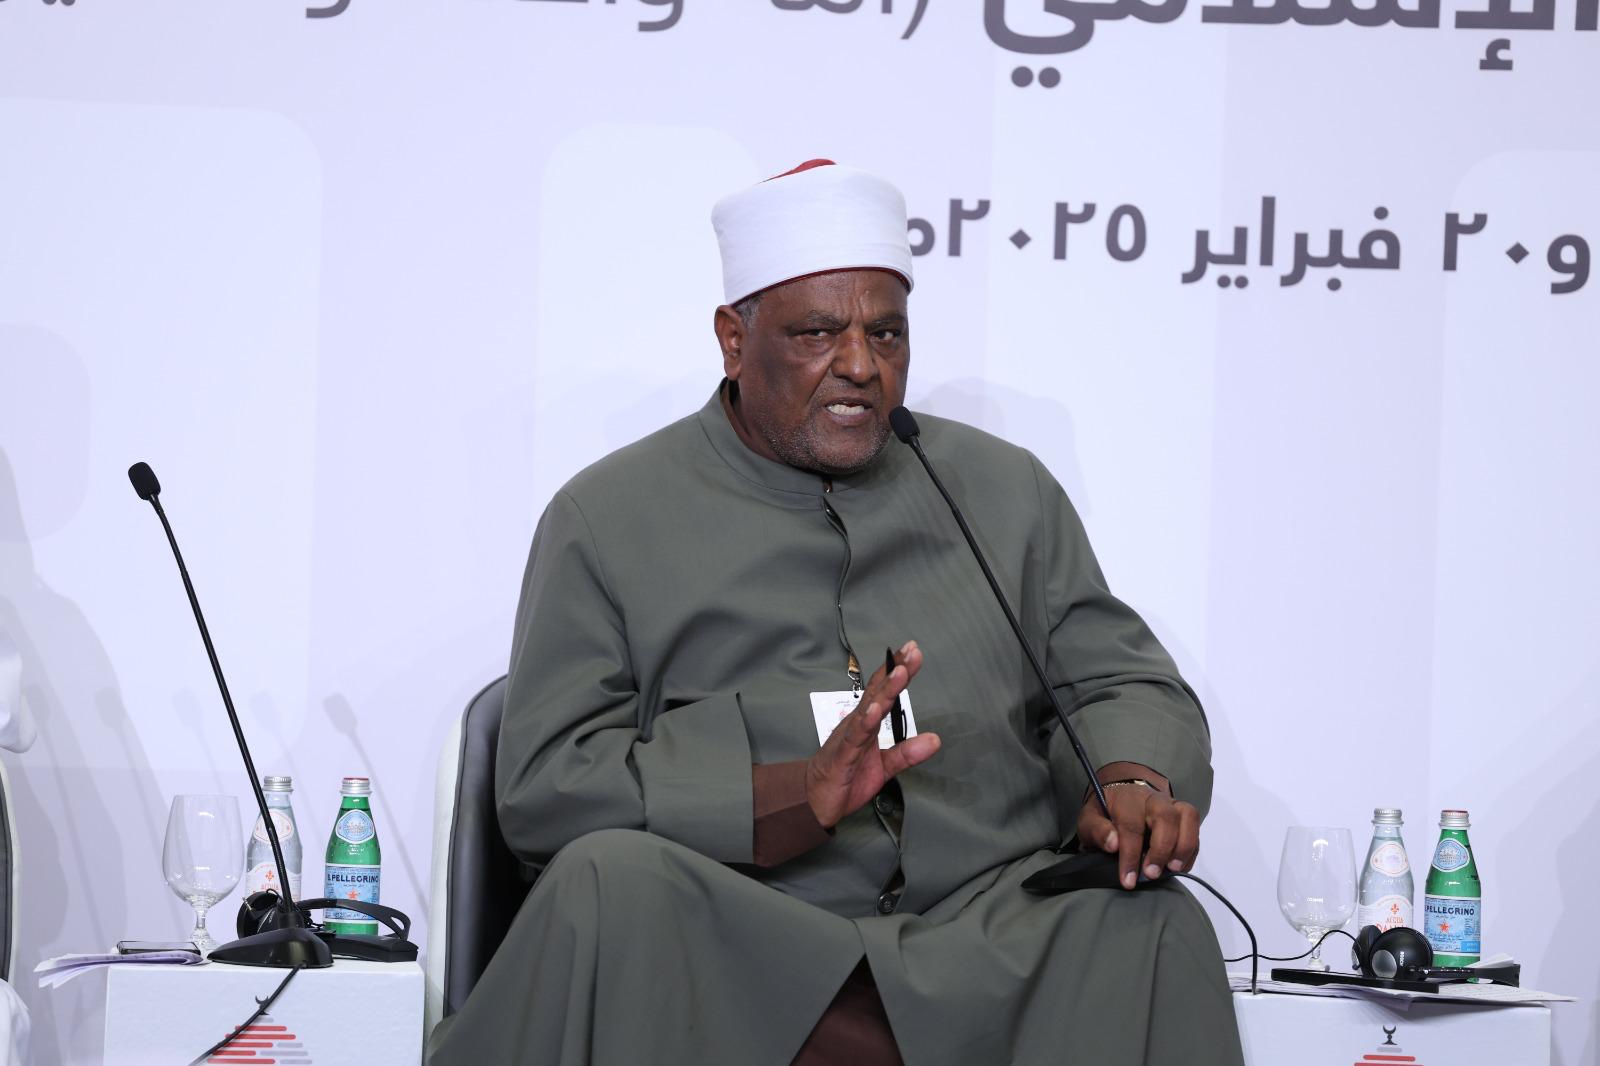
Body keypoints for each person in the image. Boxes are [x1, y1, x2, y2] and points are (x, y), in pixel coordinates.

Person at [426, 160, 1244, 1066]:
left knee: (1149, 924)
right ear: (734, 339)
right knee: (605, 881)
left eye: (886, 334)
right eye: (818, 332)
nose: (861, 365)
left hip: (987, 943)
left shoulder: (1003, 491)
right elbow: (546, 785)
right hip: (736, 942)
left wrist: (1131, 782)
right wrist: (788, 795)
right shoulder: (607, 517)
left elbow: (1119, 680)